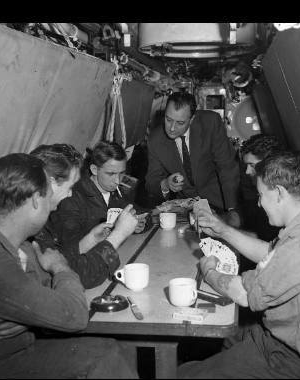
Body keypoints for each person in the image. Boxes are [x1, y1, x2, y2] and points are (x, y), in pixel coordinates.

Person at [0, 153, 137, 378]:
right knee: (104, 357)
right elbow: (74, 315)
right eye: (48, 197)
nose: (54, 207)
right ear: (36, 199)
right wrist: (61, 268)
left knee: (119, 348)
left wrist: (28, 317)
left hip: (11, 351)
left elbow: (41, 286)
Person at [178, 151, 300, 379]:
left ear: (279, 193)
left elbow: (242, 293)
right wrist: (223, 230)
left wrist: (209, 271)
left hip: (288, 360)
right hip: (289, 341)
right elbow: (271, 253)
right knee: (230, 337)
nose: (259, 203)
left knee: (186, 374)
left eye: (261, 195)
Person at [38, 141, 145, 288]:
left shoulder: (116, 192)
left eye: (121, 173)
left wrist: (91, 240)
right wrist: (118, 234)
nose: (117, 180)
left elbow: (65, 256)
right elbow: (80, 274)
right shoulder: (69, 203)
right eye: (69, 186)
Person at [145, 91, 241, 227]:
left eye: (180, 123)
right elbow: (151, 182)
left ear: (193, 118)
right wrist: (166, 184)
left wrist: (232, 209)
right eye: (168, 119)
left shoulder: (210, 123)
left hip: (221, 203)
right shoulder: (155, 140)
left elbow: (226, 167)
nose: (172, 128)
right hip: (186, 209)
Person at [239, 134, 284, 242]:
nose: (247, 171)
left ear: (270, 163)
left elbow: (266, 241)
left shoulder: (281, 198)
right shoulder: (257, 190)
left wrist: (223, 230)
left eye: (252, 165)